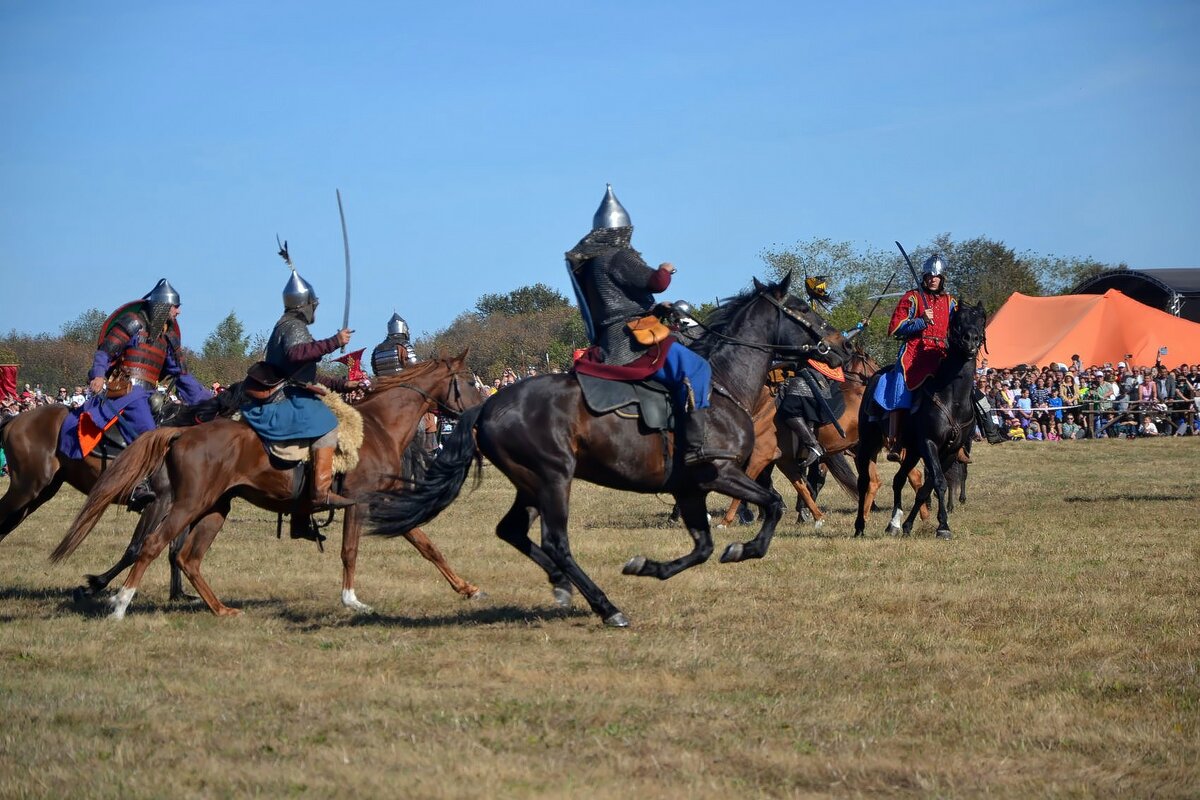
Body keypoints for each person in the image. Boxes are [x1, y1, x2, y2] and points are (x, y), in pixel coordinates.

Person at [565, 185, 722, 465]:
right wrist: (666, 269)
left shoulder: (591, 263)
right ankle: (699, 443)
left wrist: (653, 308)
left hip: (613, 335)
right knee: (698, 366)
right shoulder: (618, 255)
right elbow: (655, 283)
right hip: (633, 340)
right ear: (622, 231)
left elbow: (620, 296)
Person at [58, 278, 210, 508]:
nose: (178, 311)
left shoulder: (168, 338)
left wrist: (210, 401)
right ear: (161, 307)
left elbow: (182, 376)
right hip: (125, 392)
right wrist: (98, 375)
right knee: (149, 432)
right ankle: (137, 484)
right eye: (174, 306)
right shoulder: (131, 323)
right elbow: (104, 353)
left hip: (150, 396)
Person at [240, 259, 356, 514]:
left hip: (294, 389)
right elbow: (297, 355)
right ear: (304, 305)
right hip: (286, 398)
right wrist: (335, 341)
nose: (315, 309)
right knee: (327, 426)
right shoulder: (293, 326)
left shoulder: (287, 325)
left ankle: (301, 515)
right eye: (313, 305)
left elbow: (304, 373)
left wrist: (340, 384)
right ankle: (321, 493)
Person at [875, 253, 1003, 461]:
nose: (933, 279)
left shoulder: (950, 302)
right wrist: (921, 322)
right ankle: (897, 440)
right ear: (925, 277)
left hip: (941, 353)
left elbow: (961, 324)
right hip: (915, 353)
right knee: (901, 387)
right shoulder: (912, 298)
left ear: (942, 278)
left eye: (937, 276)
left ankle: (975, 435)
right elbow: (895, 328)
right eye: (929, 276)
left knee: (966, 388)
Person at [371, 312, 418, 376]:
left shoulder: (377, 349)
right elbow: (414, 366)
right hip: (401, 383)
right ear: (404, 328)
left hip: (382, 384)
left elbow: (375, 370)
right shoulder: (404, 345)